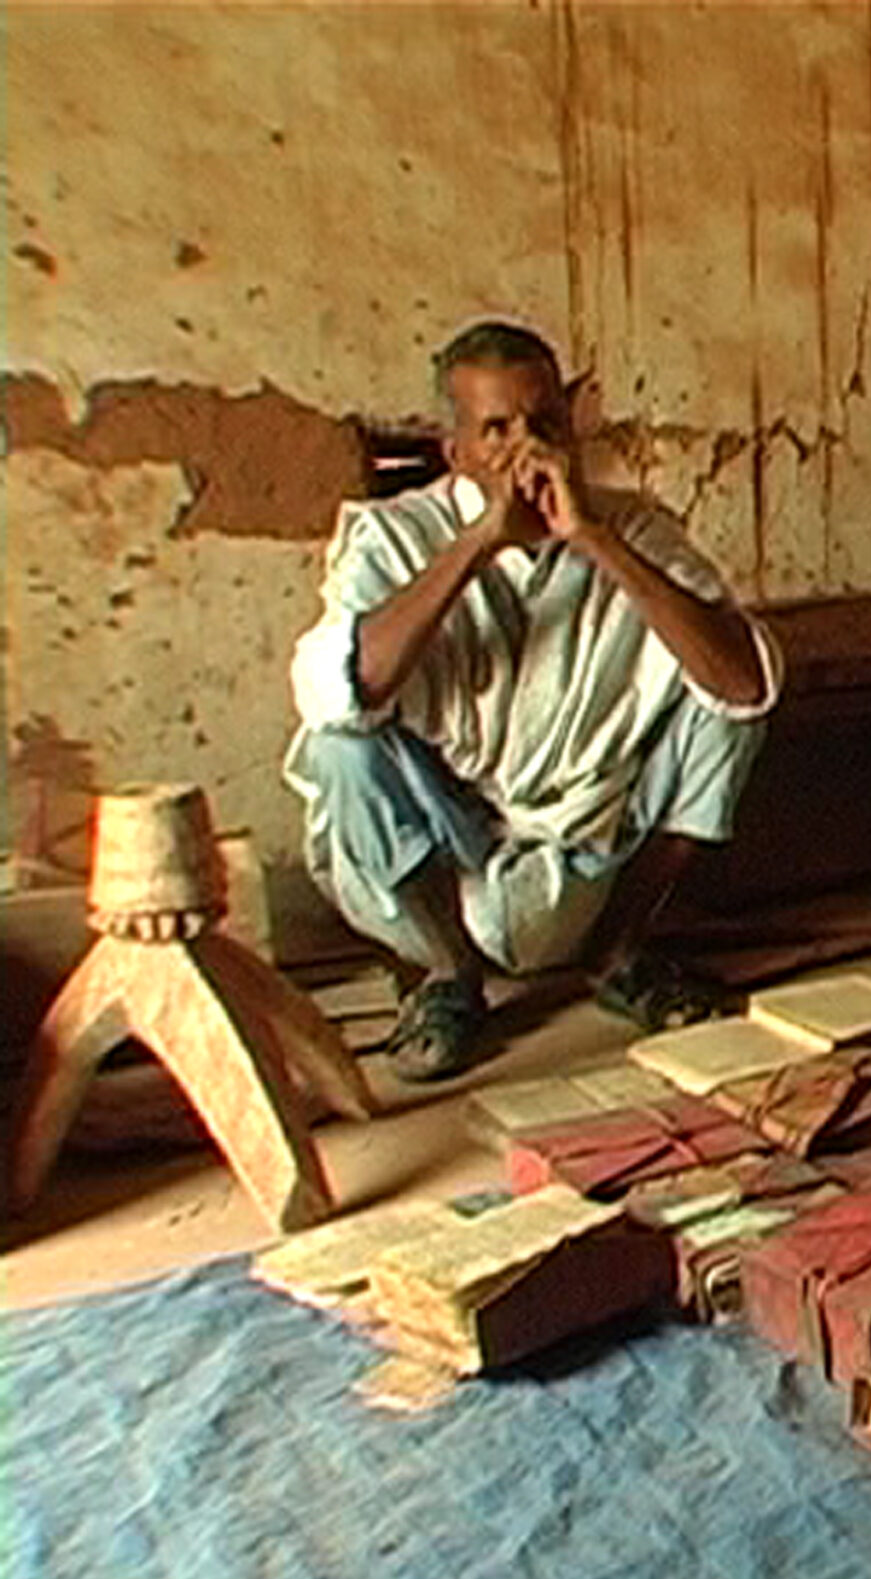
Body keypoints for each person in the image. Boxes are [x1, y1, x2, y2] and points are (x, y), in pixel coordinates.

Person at [284, 319, 780, 1081]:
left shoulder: (630, 525)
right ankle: (451, 977)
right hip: (447, 853)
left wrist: (592, 541)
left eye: (544, 424)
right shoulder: (393, 535)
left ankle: (619, 955)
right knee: (338, 741)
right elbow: (349, 688)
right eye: (496, 430)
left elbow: (744, 682)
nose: (527, 449)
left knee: (726, 709)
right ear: (456, 454)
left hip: (585, 844)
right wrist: (480, 542)